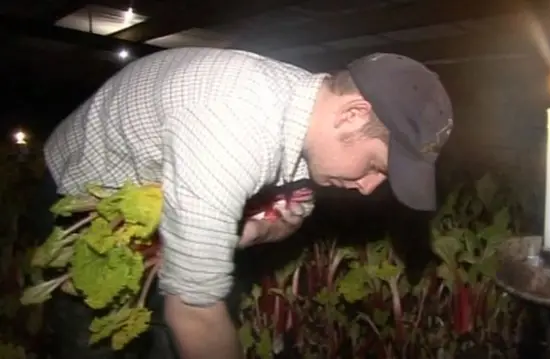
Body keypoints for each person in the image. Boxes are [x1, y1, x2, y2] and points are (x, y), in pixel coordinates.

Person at [38, 48, 453, 359]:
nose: (368, 187)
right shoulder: (233, 126)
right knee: (97, 337)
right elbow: (196, 311)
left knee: (170, 325)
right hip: (87, 200)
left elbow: (297, 206)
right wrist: (201, 270)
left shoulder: (304, 110)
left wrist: (249, 230)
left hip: (161, 190)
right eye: (376, 165)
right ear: (352, 115)